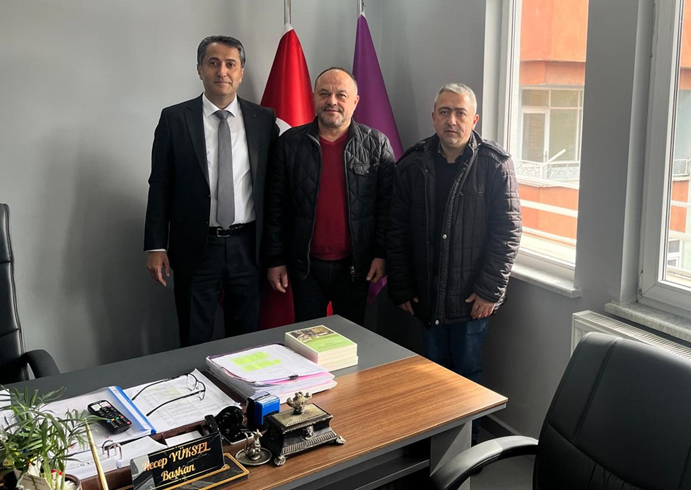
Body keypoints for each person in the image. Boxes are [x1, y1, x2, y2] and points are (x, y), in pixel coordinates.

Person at [387, 82, 521, 395]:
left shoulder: (495, 165)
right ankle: (436, 429)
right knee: (431, 373)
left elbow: (508, 232)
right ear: (433, 117)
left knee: (467, 376)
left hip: (471, 299)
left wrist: (489, 291)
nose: (452, 121)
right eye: (445, 112)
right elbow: (397, 230)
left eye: (460, 113)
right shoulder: (412, 164)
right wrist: (401, 285)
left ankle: (470, 431)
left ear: (474, 120)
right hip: (426, 295)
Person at [144, 35, 278, 347]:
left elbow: (274, 188)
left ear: (241, 72)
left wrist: (277, 252)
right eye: (213, 63)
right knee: (194, 335)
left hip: (248, 246)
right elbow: (160, 184)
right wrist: (155, 245)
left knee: (246, 340)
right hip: (196, 245)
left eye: (231, 64)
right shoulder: (175, 119)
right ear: (200, 69)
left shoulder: (263, 119)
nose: (222, 71)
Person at [264, 67, 395, 326]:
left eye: (341, 95)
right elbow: (275, 206)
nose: (332, 101)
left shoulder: (377, 145)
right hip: (305, 267)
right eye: (324, 93)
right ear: (313, 97)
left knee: (350, 339)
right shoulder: (289, 144)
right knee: (306, 340)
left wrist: (382, 254)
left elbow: (387, 208)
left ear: (355, 101)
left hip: (356, 267)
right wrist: (275, 259)